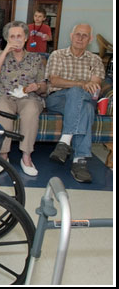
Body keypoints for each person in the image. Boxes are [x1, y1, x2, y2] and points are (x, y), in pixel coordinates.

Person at [0, 21, 47, 176]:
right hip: (4, 96)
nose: (16, 39)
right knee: (3, 109)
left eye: (19, 36)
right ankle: (3, 155)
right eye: (12, 36)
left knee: (31, 108)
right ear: (7, 39)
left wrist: (37, 87)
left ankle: (26, 157)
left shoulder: (36, 59)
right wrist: (5, 51)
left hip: (29, 97)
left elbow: (45, 86)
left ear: (26, 38)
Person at [45, 24, 105, 183]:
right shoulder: (57, 55)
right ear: (71, 36)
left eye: (84, 35)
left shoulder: (96, 60)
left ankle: (65, 144)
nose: (80, 38)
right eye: (77, 34)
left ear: (90, 39)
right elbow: (54, 80)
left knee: (86, 107)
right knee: (77, 92)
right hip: (57, 98)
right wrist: (80, 84)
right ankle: (80, 161)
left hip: (84, 100)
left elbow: (95, 84)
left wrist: (82, 86)